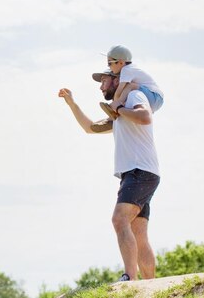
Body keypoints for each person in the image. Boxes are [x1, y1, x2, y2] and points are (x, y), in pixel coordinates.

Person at [58, 69, 161, 282]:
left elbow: (145, 116)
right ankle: (152, 288)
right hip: (139, 173)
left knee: (119, 219)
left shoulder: (133, 96)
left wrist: (121, 107)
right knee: (138, 233)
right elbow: (90, 128)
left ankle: (130, 278)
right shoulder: (119, 113)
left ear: (117, 81)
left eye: (104, 81)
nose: (101, 86)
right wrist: (72, 104)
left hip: (139, 171)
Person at [99, 45, 164, 121]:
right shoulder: (130, 68)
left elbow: (119, 90)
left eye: (110, 63)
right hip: (154, 100)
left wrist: (116, 104)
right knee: (128, 88)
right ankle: (120, 111)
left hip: (155, 97)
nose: (109, 67)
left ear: (120, 62)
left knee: (130, 86)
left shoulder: (126, 70)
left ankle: (118, 109)